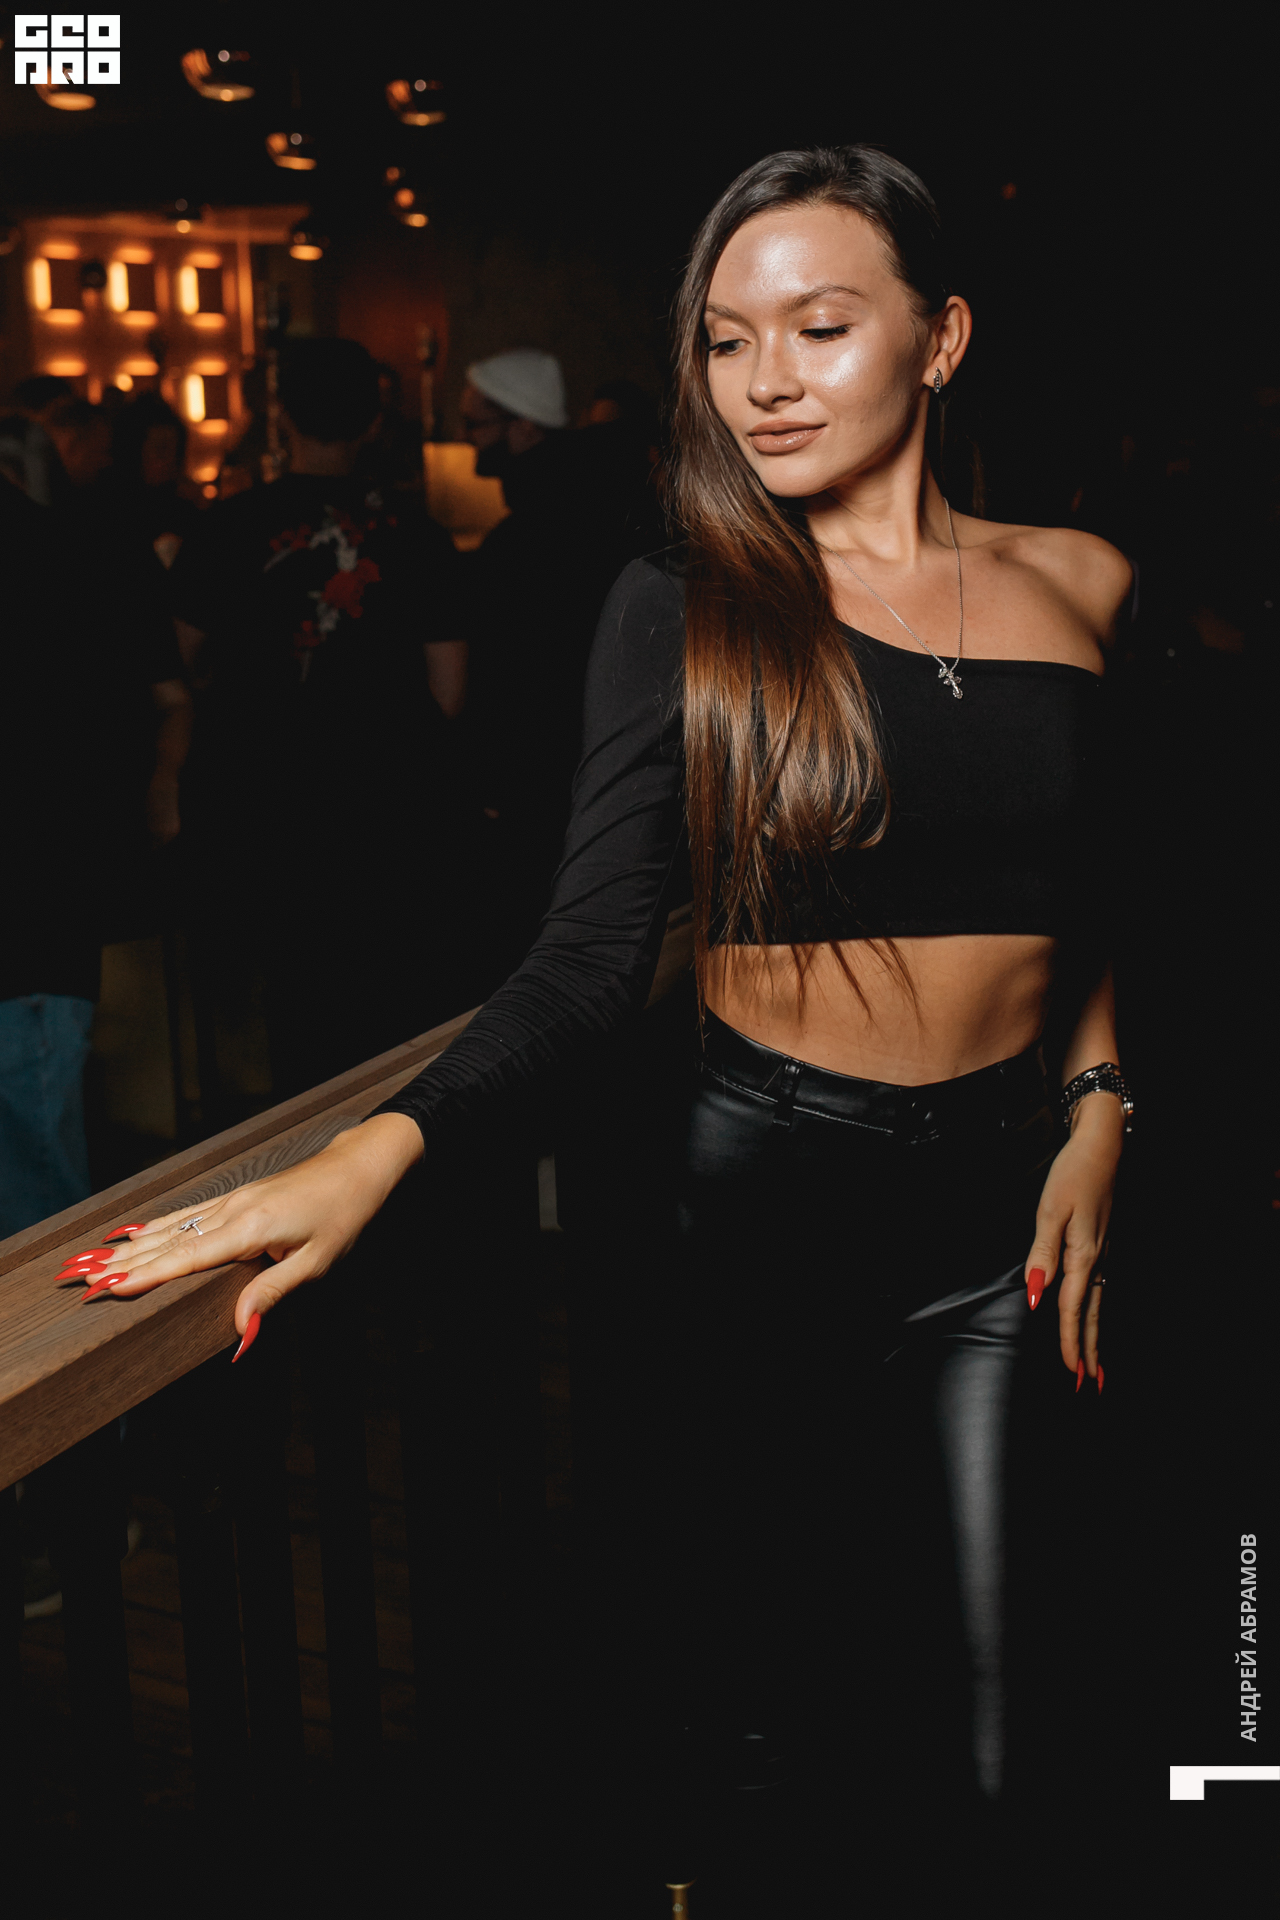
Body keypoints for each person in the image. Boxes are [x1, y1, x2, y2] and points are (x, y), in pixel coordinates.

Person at [77, 148, 1132, 1899]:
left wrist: (1098, 1101)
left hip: (1001, 1219)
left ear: (941, 340)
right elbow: (585, 961)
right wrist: (370, 1157)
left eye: (818, 326)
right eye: (725, 339)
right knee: (765, 1729)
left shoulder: (1085, 583)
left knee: (1009, 1743)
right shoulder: (687, 603)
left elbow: (1089, 892)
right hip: (768, 1206)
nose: (764, 379)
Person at [167, 336, 469, 1098]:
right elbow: (448, 690)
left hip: (263, 809)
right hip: (390, 813)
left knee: (287, 1028)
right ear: (374, 423)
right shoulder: (420, 535)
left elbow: (180, 660)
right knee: (391, 1021)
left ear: (280, 416)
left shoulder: (223, 528)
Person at [459, 348, 666, 973]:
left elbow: (511, 677)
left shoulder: (527, 535)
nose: (467, 441)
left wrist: (493, 781)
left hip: (552, 783)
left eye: (476, 424)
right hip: (613, 773)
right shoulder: (605, 500)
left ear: (525, 426)